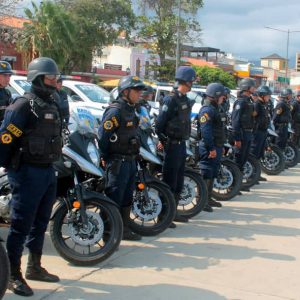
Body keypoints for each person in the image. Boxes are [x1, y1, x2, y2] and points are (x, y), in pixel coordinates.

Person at [0, 57, 62, 297]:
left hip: (47, 170)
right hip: (26, 172)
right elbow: (6, 140)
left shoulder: (52, 103)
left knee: (41, 222)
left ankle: (34, 266)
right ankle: (13, 275)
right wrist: (11, 168)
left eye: (55, 77)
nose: (55, 82)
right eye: (50, 78)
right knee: (21, 225)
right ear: (37, 79)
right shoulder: (23, 105)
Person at [98, 75, 146, 241]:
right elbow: (103, 137)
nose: (140, 93)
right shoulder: (115, 111)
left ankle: (123, 230)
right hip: (118, 162)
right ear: (125, 91)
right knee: (113, 198)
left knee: (126, 197)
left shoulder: (131, 109)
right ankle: (108, 235)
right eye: (137, 90)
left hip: (130, 160)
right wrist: (104, 156)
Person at [155, 66, 195, 226]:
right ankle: (164, 216)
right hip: (171, 145)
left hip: (181, 145)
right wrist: (164, 141)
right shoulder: (170, 99)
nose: (192, 83)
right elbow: (159, 125)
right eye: (191, 80)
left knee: (178, 181)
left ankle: (173, 212)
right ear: (185, 81)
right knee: (169, 182)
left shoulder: (184, 99)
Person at [198, 83, 226, 212]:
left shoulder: (215, 108)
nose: (223, 98)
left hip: (216, 145)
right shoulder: (207, 110)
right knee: (206, 173)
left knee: (212, 173)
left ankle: (208, 198)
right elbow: (206, 132)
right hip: (210, 147)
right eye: (221, 96)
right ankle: (202, 202)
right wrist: (211, 149)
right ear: (215, 96)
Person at [231, 78, 256, 173]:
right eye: (252, 86)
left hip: (248, 133)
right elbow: (235, 121)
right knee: (239, 158)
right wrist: (237, 138)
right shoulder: (240, 102)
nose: (254, 88)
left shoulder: (249, 101)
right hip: (242, 134)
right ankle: (235, 184)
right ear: (246, 87)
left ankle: (239, 181)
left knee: (244, 158)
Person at [250, 86, 272, 182]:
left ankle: (257, 174)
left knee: (259, 154)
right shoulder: (257, 105)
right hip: (257, 132)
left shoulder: (264, 104)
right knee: (254, 153)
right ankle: (252, 175)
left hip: (263, 131)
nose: (269, 97)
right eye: (267, 95)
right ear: (262, 95)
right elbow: (253, 118)